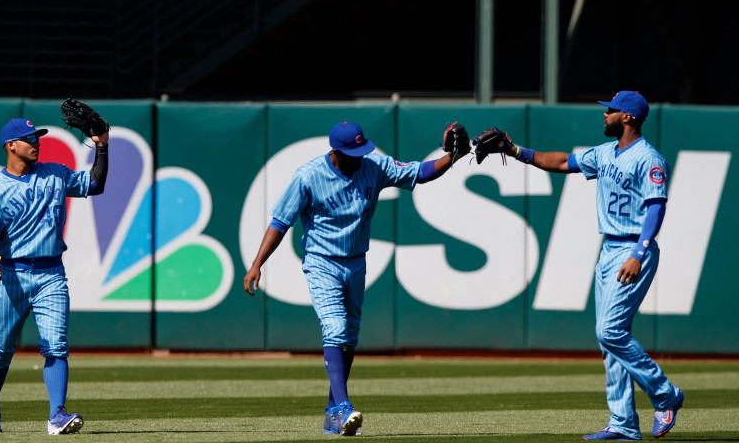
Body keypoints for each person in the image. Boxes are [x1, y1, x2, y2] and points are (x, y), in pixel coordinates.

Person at [243, 121, 465, 436]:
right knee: (335, 328)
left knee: (348, 337)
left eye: (362, 150)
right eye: (353, 152)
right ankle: (342, 407)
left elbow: (421, 172)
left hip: (356, 262)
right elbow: (280, 222)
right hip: (322, 262)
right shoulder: (308, 176)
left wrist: (453, 157)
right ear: (336, 151)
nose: (360, 156)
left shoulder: (373, 166)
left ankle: (333, 417)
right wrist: (257, 264)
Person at [501, 91, 683, 441]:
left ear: (628, 117)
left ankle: (665, 394)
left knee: (610, 332)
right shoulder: (605, 153)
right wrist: (514, 151)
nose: (605, 115)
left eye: (611, 111)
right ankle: (623, 423)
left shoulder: (649, 159)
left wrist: (639, 254)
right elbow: (559, 162)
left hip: (632, 248)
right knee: (610, 343)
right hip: (609, 249)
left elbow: (656, 208)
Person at [0, 117, 109, 435]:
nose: (36, 142)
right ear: (11, 146)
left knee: (56, 345)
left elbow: (95, 184)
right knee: (1, 347)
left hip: (51, 273)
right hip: (12, 275)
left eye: (38, 137)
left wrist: (102, 147)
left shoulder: (55, 174)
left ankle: (57, 415)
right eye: (29, 138)